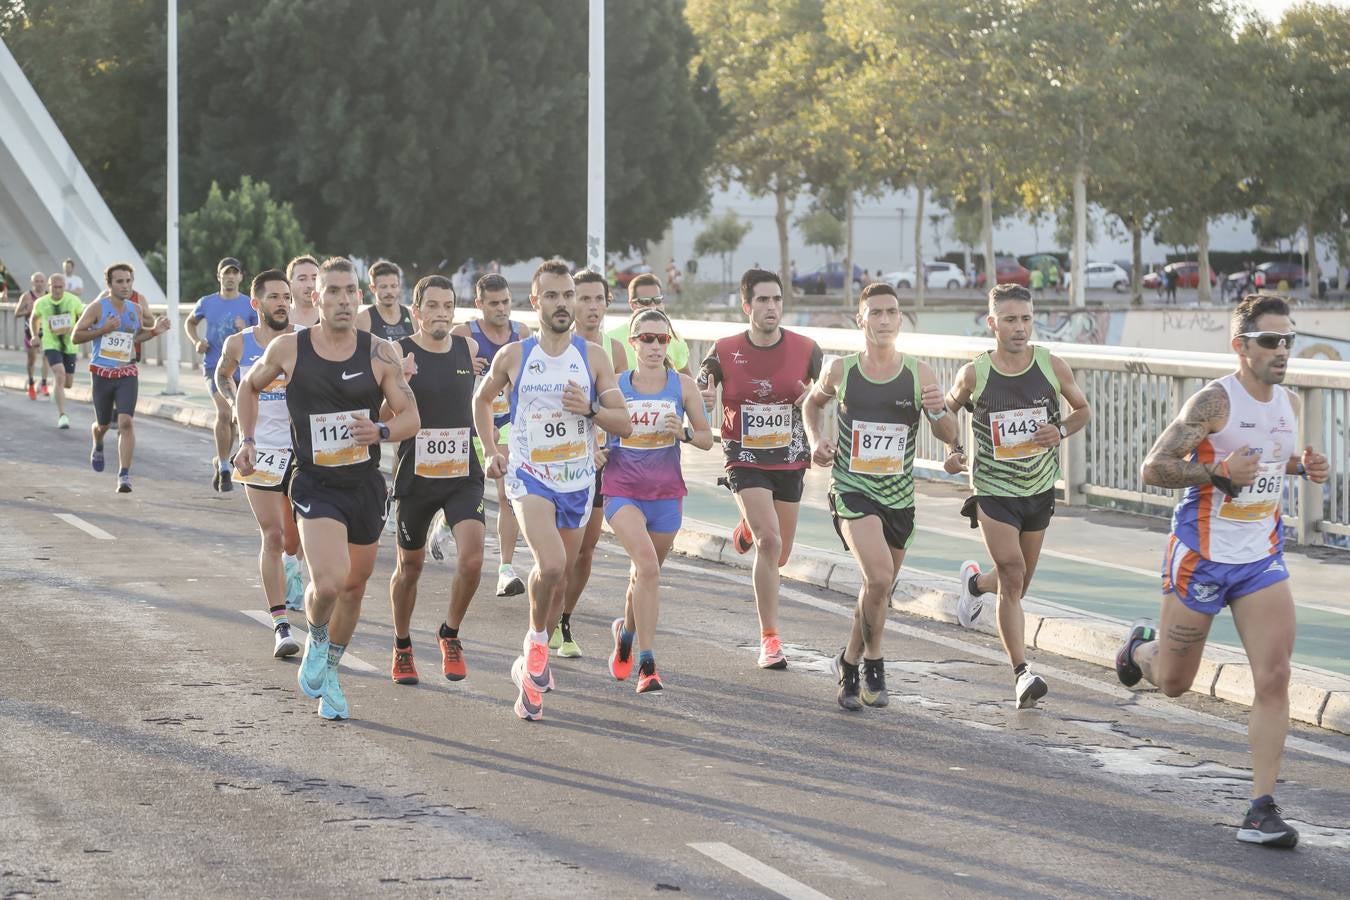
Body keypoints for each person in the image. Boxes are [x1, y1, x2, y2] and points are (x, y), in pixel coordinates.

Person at [1116, 294, 1326, 848]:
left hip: (1260, 560)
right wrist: (1215, 472)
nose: (1282, 350)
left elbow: (1270, 462)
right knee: (1176, 683)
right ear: (1241, 346)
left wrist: (1303, 467)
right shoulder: (1214, 402)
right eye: (1270, 341)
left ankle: (1260, 809)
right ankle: (1139, 650)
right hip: (1202, 557)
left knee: (1275, 677)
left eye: (1289, 340)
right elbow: (1153, 468)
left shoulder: (1288, 404)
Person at [234, 256, 420, 721]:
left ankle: (330, 671)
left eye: (349, 291)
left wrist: (379, 432)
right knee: (330, 581)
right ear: (315, 298)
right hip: (315, 482)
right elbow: (247, 389)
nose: (341, 299)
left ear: (359, 298)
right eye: (332, 291)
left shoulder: (378, 352)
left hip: (364, 484)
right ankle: (317, 635)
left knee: (355, 588)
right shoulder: (288, 349)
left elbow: (411, 417)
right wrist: (248, 439)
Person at [472, 259, 631, 721]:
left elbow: (623, 423)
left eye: (569, 296)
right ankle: (537, 645)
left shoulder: (594, 357)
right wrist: (490, 450)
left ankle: (528, 671)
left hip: (578, 480)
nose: (563, 305)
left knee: (557, 582)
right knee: (553, 563)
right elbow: (482, 400)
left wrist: (593, 409)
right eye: (554, 296)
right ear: (535, 301)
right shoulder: (516, 356)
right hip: (529, 476)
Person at [805, 282, 958, 710]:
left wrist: (939, 411)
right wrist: (817, 439)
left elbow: (949, 436)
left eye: (892, 312)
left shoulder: (920, 374)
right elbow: (811, 405)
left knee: (878, 588)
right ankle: (875, 663)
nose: (885, 320)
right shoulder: (841, 371)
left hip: (900, 498)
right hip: (853, 490)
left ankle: (848, 662)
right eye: (876, 312)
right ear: (861, 319)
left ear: (900, 319)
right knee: (877, 578)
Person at [945, 283, 1091, 708]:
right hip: (993, 487)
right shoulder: (976, 373)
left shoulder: (1051, 366)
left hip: (1038, 487)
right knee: (1012, 573)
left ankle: (974, 584)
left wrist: (1059, 430)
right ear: (992, 324)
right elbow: (947, 411)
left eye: (1026, 319)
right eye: (1010, 320)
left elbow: (1082, 410)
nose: (1020, 327)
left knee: (1018, 583)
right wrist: (954, 451)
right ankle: (1021, 673)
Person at [697, 268, 823, 670]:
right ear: (747, 306)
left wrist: (814, 402)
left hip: (790, 458)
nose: (771, 307)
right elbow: (702, 383)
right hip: (743, 456)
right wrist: (705, 398)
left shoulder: (807, 349)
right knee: (769, 544)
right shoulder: (724, 348)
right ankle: (770, 640)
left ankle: (747, 526)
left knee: (780, 553)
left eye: (777, 300)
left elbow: (827, 396)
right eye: (763, 300)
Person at [602, 308, 713, 692]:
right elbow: (595, 429)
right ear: (632, 343)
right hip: (622, 489)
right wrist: (598, 451)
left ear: (669, 343)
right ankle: (647, 665)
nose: (653, 345)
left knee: (644, 575)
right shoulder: (616, 384)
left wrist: (681, 431)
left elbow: (706, 437)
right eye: (645, 338)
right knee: (647, 567)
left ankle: (627, 636)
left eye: (661, 339)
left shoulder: (681, 386)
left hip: (666, 493)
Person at [386, 275, 485, 684]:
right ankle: (402, 643)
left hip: (463, 472)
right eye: (433, 306)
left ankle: (450, 633)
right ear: (416, 311)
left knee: (473, 556)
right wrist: (401, 381)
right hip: (416, 475)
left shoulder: (468, 347)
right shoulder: (398, 352)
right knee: (410, 567)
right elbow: (383, 413)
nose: (441, 313)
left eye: (448, 306)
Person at [215, 270, 302, 659]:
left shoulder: (303, 341)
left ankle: (310, 597)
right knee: (273, 536)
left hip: (303, 451)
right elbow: (223, 375)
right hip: (261, 449)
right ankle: (281, 624)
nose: (282, 302)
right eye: (273, 297)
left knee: (299, 539)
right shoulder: (239, 343)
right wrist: (235, 403)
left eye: (286, 296)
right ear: (257, 304)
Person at [552, 269, 629, 657]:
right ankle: (544, 616)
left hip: (600, 460)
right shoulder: (552, 348)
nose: (592, 306)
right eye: (584, 299)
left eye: (599, 299)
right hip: (554, 460)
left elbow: (619, 408)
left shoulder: (614, 352)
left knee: (586, 548)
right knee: (556, 552)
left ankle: (564, 619)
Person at [449, 272, 531, 597]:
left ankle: (505, 569)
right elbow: (446, 378)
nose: (501, 309)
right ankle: (445, 525)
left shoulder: (521, 334)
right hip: (468, 422)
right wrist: (466, 367)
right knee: (459, 492)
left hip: (507, 422)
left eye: (506, 302)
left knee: (505, 493)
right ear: (479, 304)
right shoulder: (462, 335)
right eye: (494, 303)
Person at [70, 263, 170, 493]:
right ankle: (97, 440)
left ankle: (124, 475)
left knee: (126, 422)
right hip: (102, 374)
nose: (125, 286)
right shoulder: (97, 308)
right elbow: (76, 336)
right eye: (120, 281)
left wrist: (155, 331)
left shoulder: (135, 309)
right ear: (109, 284)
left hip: (127, 372)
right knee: (103, 424)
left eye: (128, 281)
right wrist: (102, 329)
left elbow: (136, 337)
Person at [189, 257, 258, 492]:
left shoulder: (250, 304)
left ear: (241, 277)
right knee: (225, 411)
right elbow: (190, 322)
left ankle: (221, 460)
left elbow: (262, 333)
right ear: (219, 276)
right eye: (225, 273)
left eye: (234, 273)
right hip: (214, 366)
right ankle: (226, 469)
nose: (230, 277)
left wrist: (245, 330)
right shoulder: (206, 302)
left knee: (239, 418)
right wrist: (197, 341)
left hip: (244, 368)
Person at [604, 272, 694, 375]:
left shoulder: (674, 336)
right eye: (645, 301)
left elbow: (688, 379)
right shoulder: (611, 339)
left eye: (657, 300)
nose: (653, 306)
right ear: (633, 305)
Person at [29, 272, 85, 429]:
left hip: (70, 346)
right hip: (51, 344)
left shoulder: (73, 301)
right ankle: (62, 416)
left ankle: (57, 388)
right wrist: (35, 335)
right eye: (55, 287)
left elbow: (82, 318)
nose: (58, 290)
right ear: (49, 286)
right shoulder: (41, 302)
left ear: (64, 287)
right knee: (59, 374)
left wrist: (81, 330)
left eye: (61, 287)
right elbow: (33, 318)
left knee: (67, 383)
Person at [356, 259, 414, 341]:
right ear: (373, 288)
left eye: (393, 286)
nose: (389, 291)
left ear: (399, 286)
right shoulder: (362, 319)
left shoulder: (413, 317)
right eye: (383, 287)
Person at [14, 271, 50, 399]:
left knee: (46, 358)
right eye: (37, 281)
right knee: (32, 361)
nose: (39, 284)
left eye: (41, 281)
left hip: (45, 333)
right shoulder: (27, 296)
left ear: (45, 283)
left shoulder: (48, 296)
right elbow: (16, 313)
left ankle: (44, 384)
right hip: (30, 332)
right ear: (32, 282)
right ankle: (30, 383)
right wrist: (27, 311)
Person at [288, 255, 322, 328]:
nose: (310, 285)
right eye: (302, 279)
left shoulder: (330, 317)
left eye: (314, 278)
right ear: (289, 284)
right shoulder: (278, 317)